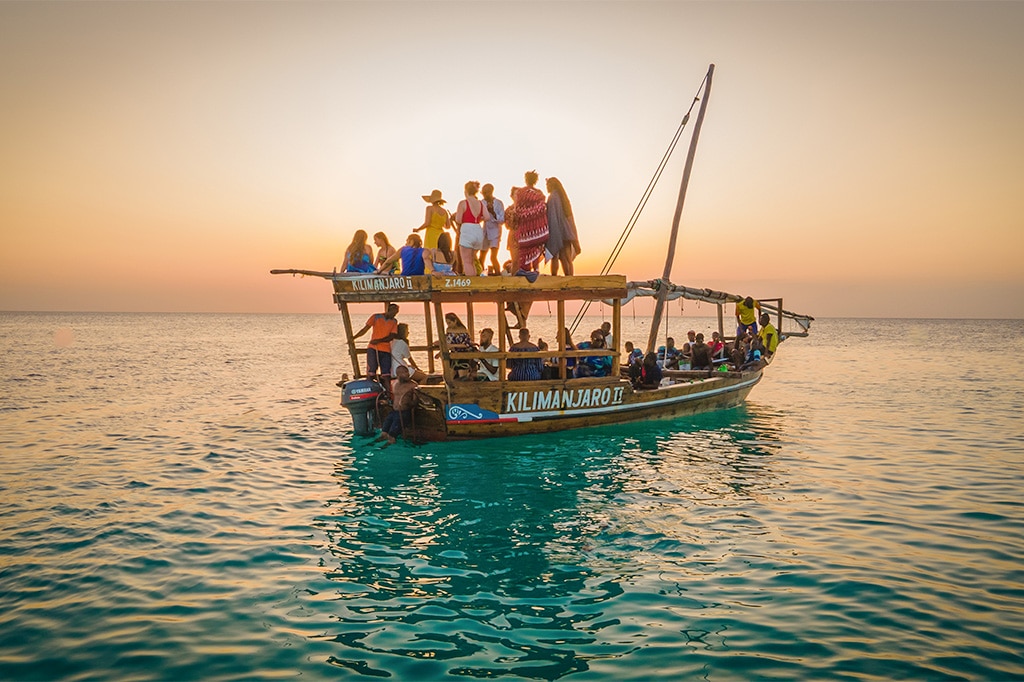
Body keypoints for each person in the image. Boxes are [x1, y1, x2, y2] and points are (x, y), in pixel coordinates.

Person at [509, 171, 548, 272]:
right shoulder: (540, 193)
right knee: (535, 253)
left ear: (526, 180)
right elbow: (542, 209)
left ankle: (522, 276)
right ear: (535, 181)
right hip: (537, 231)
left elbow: (517, 210)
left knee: (522, 255)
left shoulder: (521, 193)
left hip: (524, 231)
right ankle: (535, 272)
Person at [352, 303, 399, 383]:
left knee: (386, 373)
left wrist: (378, 341)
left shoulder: (394, 321)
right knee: (371, 371)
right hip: (373, 348)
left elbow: (392, 336)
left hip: (385, 349)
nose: (394, 315)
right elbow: (365, 329)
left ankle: (387, 392)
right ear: (388, 310)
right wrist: (353, 338)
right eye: (393, 312)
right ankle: (369, 387)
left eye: (396, 313)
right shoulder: (376, 317)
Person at [374, 365, 418, 447]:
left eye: (407, 372)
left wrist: (409, 404)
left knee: (392, 435)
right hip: (394, 411)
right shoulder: (395, 384)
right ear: (398, 375)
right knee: (384, 432)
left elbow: (416, 401)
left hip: (404, 412)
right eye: (404, 373)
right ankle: (373, 444)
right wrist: (387, 402)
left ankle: (386, 446)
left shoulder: (413, 385)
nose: (407, 374)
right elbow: (394, 398)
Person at [544, 176, 581, 275]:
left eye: (547, 185)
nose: (546, 187)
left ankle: (554, 279)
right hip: (567, 233)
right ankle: (570, 279)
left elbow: (552, 217)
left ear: (552, 185)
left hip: (557, 231)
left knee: (554, 256)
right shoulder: (563, 197)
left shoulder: (552, 197)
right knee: (567, 258)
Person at [455, 181, 489, 276]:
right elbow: (487, 217)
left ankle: (471, 283)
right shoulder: (480, 203)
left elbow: (458, 219)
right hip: (478, 230)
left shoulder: (463, 203)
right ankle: (475, 281)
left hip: (467, 230)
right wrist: (478, 219)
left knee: (467, 261)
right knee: (472, 260)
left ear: (466, 190)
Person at [481, 183, 505, 275]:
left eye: (486, 193)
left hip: (495, 233)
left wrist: (493, 213)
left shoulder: (498, 203)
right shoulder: (482, 203)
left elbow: (502, 220)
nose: (484, 195)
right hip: (485, 232)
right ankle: (481, 277)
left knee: (493, 257)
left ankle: (499, 277)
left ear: (491, 192)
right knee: (481, 257)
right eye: (483, 193)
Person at [443, 313, 475, 380]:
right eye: (447, 323)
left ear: (455, 321)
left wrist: (453, 345)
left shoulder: (463, 330)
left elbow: (466, 344)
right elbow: (447, 342)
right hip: (453, 354)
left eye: (449, 322)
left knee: (462, 377)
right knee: (449, 376)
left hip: (463, 355)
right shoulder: (448, 330)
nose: (448, 325)